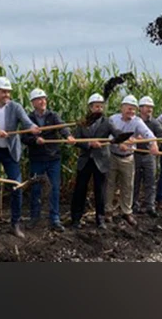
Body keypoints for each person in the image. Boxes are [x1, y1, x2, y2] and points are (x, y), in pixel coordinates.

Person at [0, 77, 41, 238]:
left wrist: (33, 128)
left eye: (8, 92)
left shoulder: (15, 107)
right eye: (3, 91)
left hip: (9, 152)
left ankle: (15, 223)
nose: (6, 95)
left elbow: (26, 122)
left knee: (16, 185)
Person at [20, 88, 75, 232]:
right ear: (33, 103)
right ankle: (34, 217)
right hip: (37, 158)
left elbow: (62, 127)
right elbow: (24, 137)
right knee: (36, 188)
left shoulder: (53, 116)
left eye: (44, 98)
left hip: (53, 158)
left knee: (55, 188)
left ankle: (54, 218)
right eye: (39, 99)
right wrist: (35, 140)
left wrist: (68, 136)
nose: (42, 101)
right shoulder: (29, 119)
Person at [70, 93, 122, 230]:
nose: (99, 109)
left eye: (101, 106)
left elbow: (116, 134)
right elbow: (75, 141)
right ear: (90, 108)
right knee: (80, 189)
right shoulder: (82, 123)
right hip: (85, 160)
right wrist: (88, 144)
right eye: (96, 106)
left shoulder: (107, 122)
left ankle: (100, 219)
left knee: (100, 191)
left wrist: (123, 139)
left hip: (101, 161)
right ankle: (76, 218)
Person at [105, 95, 158, 226]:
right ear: (122, 108)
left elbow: (148, 134)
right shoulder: (113, 120)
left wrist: (153, 144)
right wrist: (119, 144)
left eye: (133, 110)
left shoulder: (137, 121)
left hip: (128, 157)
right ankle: (108, 212)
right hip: (112, 156)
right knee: (110, 185)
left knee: (128, 185)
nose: (131, 112)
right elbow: (109, 136)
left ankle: (126, 212)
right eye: (129, 109)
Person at [132, 96, 162, 217]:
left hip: (149, 156)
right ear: (140, 108)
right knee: (135, 180)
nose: (150, 109)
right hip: (135, 154)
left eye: (151, 107)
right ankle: (133, 204)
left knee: (151, 180)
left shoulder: (154, 123)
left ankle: (150, 205)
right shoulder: (134, 121)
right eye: (147, 107)